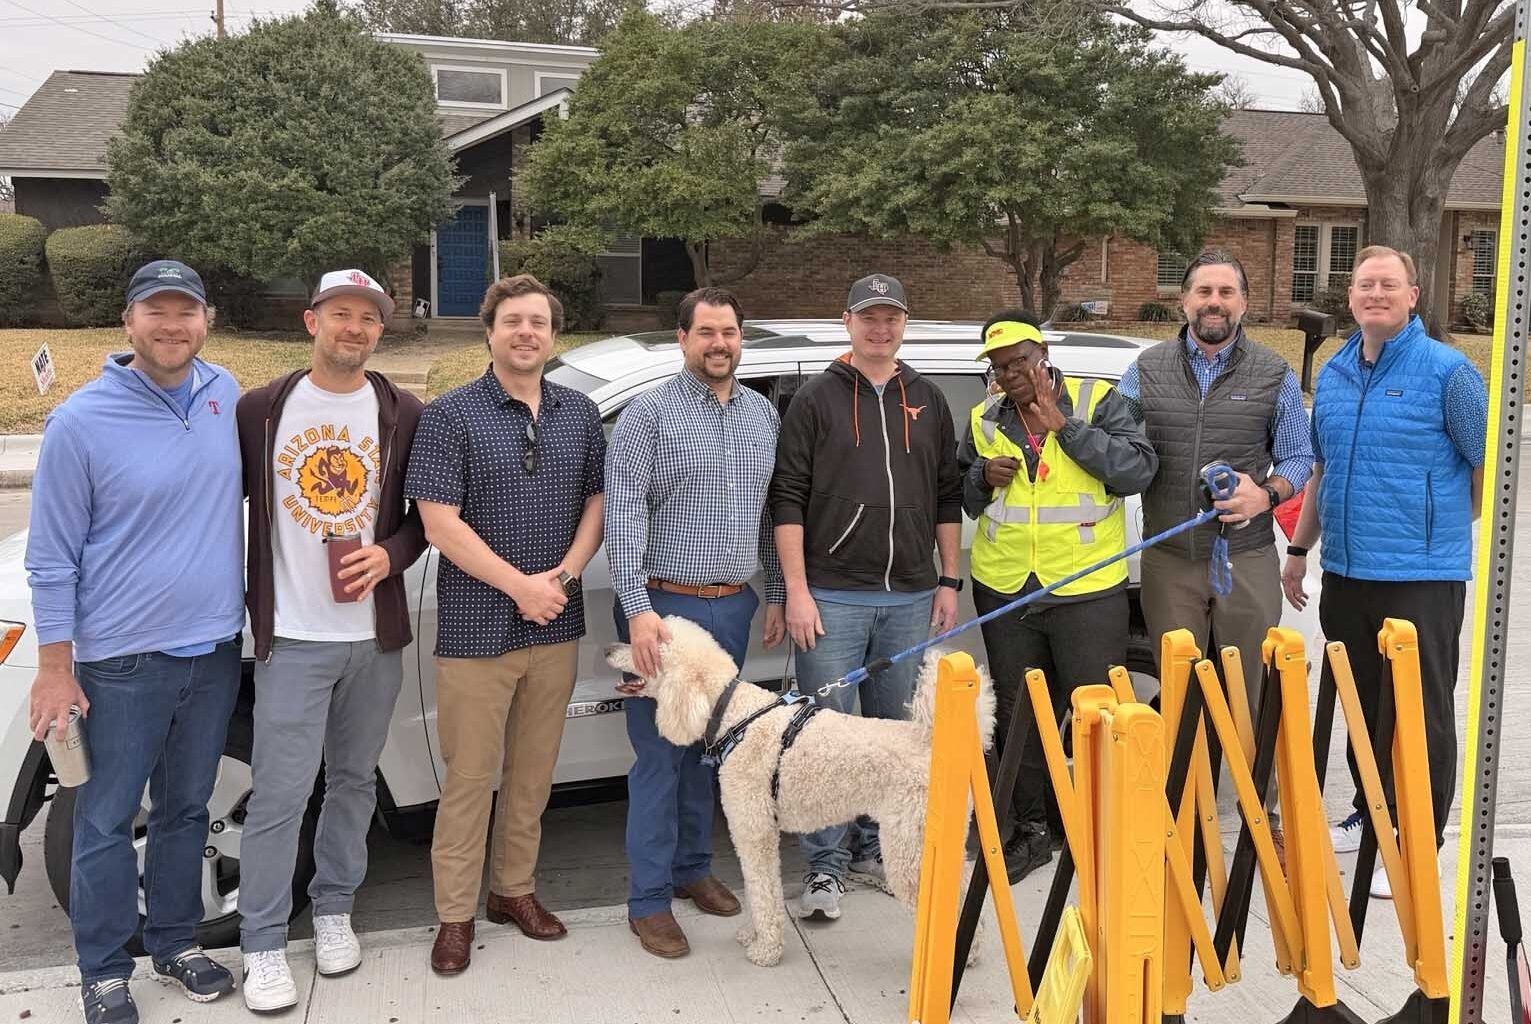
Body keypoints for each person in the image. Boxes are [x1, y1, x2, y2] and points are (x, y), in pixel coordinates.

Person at [26, 261, 243, 1024]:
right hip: (120, 661)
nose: (172, 325)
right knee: (106, 818)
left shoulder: (225, 396)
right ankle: (105, 970)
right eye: (156, 311)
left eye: (186, 312)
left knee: (187, 809)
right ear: (128, 323)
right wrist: (56, 667)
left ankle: (177, 942)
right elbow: (49, 558)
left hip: (214, 649)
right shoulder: (81, 421)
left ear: (205, 320)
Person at [233, 270, 429, 1010]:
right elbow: (218, 500)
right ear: (310, 321)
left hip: (373, 639)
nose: (355, 328)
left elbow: (425, 514)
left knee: (352, 783)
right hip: (293, 637)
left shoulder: (402, 412)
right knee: (280, 792)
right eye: (340, 314)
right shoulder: (260, 410)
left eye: (368, 319)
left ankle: (336, 910)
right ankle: (262, 943)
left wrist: (394, 553)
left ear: (381, 330)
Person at [405, 274, 606, 975]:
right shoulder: (450, 416)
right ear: (488, 331)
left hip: (555, 625)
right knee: (468, 779)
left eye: (539, 322)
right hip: (475, 630)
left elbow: (597, 504)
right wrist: (520, 586)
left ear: (554, 335)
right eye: (513, 321)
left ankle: (512, 891)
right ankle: (454, 916)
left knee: (532, 776)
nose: (527, 332)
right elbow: (437, 521)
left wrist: (563, 578)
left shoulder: (579, 413)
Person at [1281, 245, 1485, 899]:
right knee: (1362, 705)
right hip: (1345, 571)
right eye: (1364, 284)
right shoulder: (1336, 373)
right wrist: (1297, 549)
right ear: (1349, 299)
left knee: (1418, 712)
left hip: (1419, 576)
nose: (1374, 293)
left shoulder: (1448, 373)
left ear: (1411, 295)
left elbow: (1486, 464)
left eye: (1387, 284)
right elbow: (1319, 471)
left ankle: (1416, 839)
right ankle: (1370, 813)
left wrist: (1447, 530)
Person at [770, 273, 963, 922]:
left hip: (910, 596)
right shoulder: (815, 400)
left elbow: (945, 494)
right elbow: (788, 497)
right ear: (846, 322)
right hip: (831, 596)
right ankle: (822, 869)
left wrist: (947, 578)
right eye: (868, 318)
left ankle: (873, 851)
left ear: (904, 324)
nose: (880, 329)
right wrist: (796, 591)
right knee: (824, 740)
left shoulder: (928, 399)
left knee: (892, 738)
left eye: (892, 318)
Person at [605, 286, 786, 959]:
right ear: (682, 339)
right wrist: (638, 612)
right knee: (658, 755)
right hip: (664, 610)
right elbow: (623, 518)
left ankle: (691, 870)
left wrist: (768, 592)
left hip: (732, 605)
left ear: (741, 341)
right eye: (705, 332)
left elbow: (768, 513)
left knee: (710, 750)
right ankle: (648, 899)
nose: (718, 344)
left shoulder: (762, 416)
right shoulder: (647, 416)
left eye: (729, 333)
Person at [1117, 248, 1315, 850]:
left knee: (1254, 690)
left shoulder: (1274, 374)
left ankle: (1270, 813)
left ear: (1245, 304)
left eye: (1227, 293)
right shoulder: (1143, 371)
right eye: (1204, 292)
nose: (1214, 303)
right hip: (1170, 560)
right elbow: (1117, 451)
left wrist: (1267, 494)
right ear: (1184, 301)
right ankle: (1177, 810)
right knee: (1177, 691)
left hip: (1247, 557)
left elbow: (1301, 457)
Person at [958, 310, 1156, 881]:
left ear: (1041, 354)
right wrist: (979, 478)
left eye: (1019, 361)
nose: (1010, 375)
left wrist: (1066, 429)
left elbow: (1137, 471)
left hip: (1086, 588)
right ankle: (1031, 832)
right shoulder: (983, 416)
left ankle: (1096, 828)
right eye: (999, 367)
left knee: (1094, 712)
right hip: (1008, 588)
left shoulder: (1099, 400)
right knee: (1020, 716)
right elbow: (964, 493)